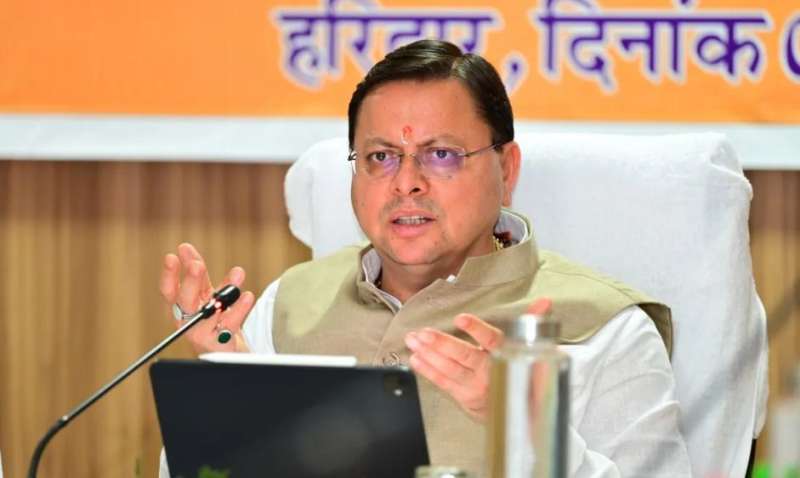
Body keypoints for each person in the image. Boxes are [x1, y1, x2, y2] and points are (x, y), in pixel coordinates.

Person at [159, 39, 691, 476]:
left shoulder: (604, 327)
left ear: (506, 169)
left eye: (441, 155)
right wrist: (228, 394)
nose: (407, 183)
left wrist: (526, 426)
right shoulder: (289, 303)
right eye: (381, 157)